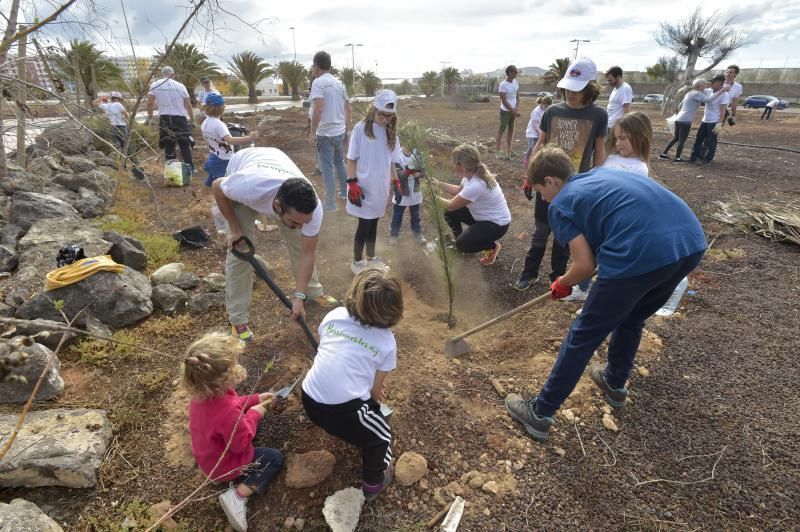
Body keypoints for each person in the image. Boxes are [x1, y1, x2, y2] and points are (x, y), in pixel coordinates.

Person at [505, 146, 707, 442]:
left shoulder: (561, 204)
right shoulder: (597, 175)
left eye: (539, 191)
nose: (542, 199)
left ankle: (540, 413)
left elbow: (585, 265)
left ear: (551, 181)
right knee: (632, 317)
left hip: (640, 253)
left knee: (582, 336)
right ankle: (614, 382)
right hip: (689, 244)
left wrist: (562, 282)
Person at [211, 147, 338, 343]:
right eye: (295, 222)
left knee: (299, 243)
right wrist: (235, 229)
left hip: (277, 161)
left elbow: (307, 253)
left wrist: (298, 297)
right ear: (278, 206)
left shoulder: (312, 209)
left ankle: (311, 291)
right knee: (240, 253)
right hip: (246, 168)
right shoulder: (246, 187)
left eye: (304, 222)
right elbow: (217, 187)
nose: (299, 227)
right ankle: (238, 320)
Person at [301, 269, 403, 503]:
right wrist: (372, 403)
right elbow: (374, 392)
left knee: (357, 417)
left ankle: (351, 431)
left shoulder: (334, 315)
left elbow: (329, 346)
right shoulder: (387, 341)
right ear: (393, 311)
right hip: (343, 412)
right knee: (381, 437)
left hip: (308, 397)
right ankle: (373, 485)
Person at [513, 57, 606, 296]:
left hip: (576, 188)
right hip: (546, 184)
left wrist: (598, 180)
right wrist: (529, 176)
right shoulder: (552, 111)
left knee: (566, 237)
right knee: (541, 232)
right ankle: (529, 273)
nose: (570, 94)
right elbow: (540, 144)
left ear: (590, 88)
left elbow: (599, 150)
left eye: (577, 90)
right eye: (567, 89)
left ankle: (557, 277)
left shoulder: (598, 115)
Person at [184, 333, 284, 531]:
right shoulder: (227, 412)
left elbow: (233, 403)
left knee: (247, 422)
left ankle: (230, 484)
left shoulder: (202, 395)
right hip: (224, 466)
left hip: (209, 458)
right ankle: (237, 496)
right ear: (223, 377)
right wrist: (255, 414)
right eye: (234, 363)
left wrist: (255, 399)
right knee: (274, 458)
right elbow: (241, 445)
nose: (238, 366)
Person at [346, 89, 401, 275]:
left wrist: (396, 180)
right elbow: (351, 159)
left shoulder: (391, 132)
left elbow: (392, 160)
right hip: (363, 187)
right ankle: (357, 261)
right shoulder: (360, 129)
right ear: (373, 110)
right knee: (364, 225)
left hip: (380, 187)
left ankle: (370, 257)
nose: (385, 119)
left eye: (389, 116)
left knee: (374, 224)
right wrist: (352, 182)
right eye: (382, 115)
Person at [433, 144, 511, 266]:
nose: (453, 166)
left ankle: (492, 246)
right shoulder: (471, 175)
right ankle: (459, 240)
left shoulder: (476, 184)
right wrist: (438, 184)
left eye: (454, 163)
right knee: (450, 214)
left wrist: (431, 196)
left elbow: (451, 205)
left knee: (463, 244)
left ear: (461, 165)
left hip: (496, 225)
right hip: (483, 218)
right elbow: (458, 191)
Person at [309, 51, 352, 211]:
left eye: (313, 66)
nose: (313, 69)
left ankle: (330, 203)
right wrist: (347, 129)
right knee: (339, 162)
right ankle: (345, 193)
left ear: (317, 66)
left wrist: (312, 132)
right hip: (339, 131)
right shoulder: (340, 83)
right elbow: (348, 108)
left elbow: (318, 109)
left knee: (327, 167)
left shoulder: (318, 83)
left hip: (325, 133)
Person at [659, 79, 729, 162]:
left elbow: (680, 105)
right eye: (704, 85)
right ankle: (677, 159)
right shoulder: (697, 93)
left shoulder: (689, 93)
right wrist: (722, 91)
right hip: (686, 120)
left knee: (676, 138)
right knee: (682, 140)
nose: (705, 87)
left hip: (678, 119)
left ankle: (663, 154)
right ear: (700, 86)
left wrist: (682, 112)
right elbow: (709, 100)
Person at [201, 94, 258, 186]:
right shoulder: (219, 125)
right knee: (226, 185)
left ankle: (212, 185)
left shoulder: (205, 123)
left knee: (214, 179)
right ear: (221, 108)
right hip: (224, 159)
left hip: (214, 154)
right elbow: (230, 140)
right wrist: (250, 138)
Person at [147, 66, 195, 170]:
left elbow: (150, 103)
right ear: (173, 75)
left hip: (165, 119)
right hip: (180, 118)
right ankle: (190, 168)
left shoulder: (155, 84)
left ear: (162, 74)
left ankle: (171, 171)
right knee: (184, 144)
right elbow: (188, 104)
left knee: (169, 144)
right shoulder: (180, 86)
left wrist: (150, 117)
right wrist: (191, 119)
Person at [689, 74, 730, 165]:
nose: (711, 84)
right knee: (698, 139)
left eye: (713, 82)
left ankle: (708, 159)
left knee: (711, 141)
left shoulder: (724, 95)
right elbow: (698, 88)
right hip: (705, 120)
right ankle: (694, 156)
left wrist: (719, 123)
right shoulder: (708, 91)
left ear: (720, 83)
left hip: (714, 121)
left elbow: (723, 110)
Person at [389, 146, 425, 245]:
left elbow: (424, 171)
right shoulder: (397, 155)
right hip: (402, 188)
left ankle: (418, 234)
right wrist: (406, 172)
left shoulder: (418, 154)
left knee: (415, 214)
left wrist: (418, 174)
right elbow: (397, 173)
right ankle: (394, 235)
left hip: (415, 189)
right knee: (398, 213)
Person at [603, 112, 652, 176]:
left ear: (640, 137)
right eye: (616, 139)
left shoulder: (639, 169)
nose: (617, 143)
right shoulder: (609, 159)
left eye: (622, 138)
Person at [495, 65, 520, 159]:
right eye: (515, 72)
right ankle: (497, 152)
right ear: (509, 72)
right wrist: (513, 110)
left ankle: (509, 151)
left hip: (513, 111)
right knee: (501, 130)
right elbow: (504, 101)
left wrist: (516, 108)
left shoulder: (515, 82)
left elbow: (517, 96)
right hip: (505, 111)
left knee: (511, 131)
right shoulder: (503, 85)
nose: (516, 73)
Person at [523, 95, 552, 167]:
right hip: (532, 134)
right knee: (534, 149)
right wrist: (542, 135)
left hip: (539, 133)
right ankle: (530, 163)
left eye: (548, 107)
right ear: (542, 104)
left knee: (532, 148)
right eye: (546, 107)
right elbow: (536, 126)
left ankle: (527, 161)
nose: (547, 108)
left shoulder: (544, 110)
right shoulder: (536, 111)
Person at [605, 66, 633, 131]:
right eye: (608, 81)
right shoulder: (616, 88)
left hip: (615, 127)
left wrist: (623, 128)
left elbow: (626, 110)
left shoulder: (625, 89)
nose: (609, 83)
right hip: (609, 125)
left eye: (610, 80)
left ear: (618, 77)